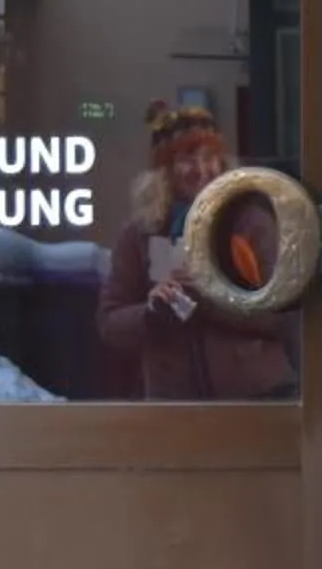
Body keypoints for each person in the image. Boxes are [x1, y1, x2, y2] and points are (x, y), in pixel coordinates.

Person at [96, 100, 297, 401]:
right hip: (174, 404)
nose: (203, 170)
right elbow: (110, 324)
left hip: (256, 397)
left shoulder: (250, 222)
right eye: (188, 159)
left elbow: (285, 314)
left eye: (210, 157)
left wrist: (211, 296)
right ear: (164, 170)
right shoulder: (140, 233)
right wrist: (151, 312)